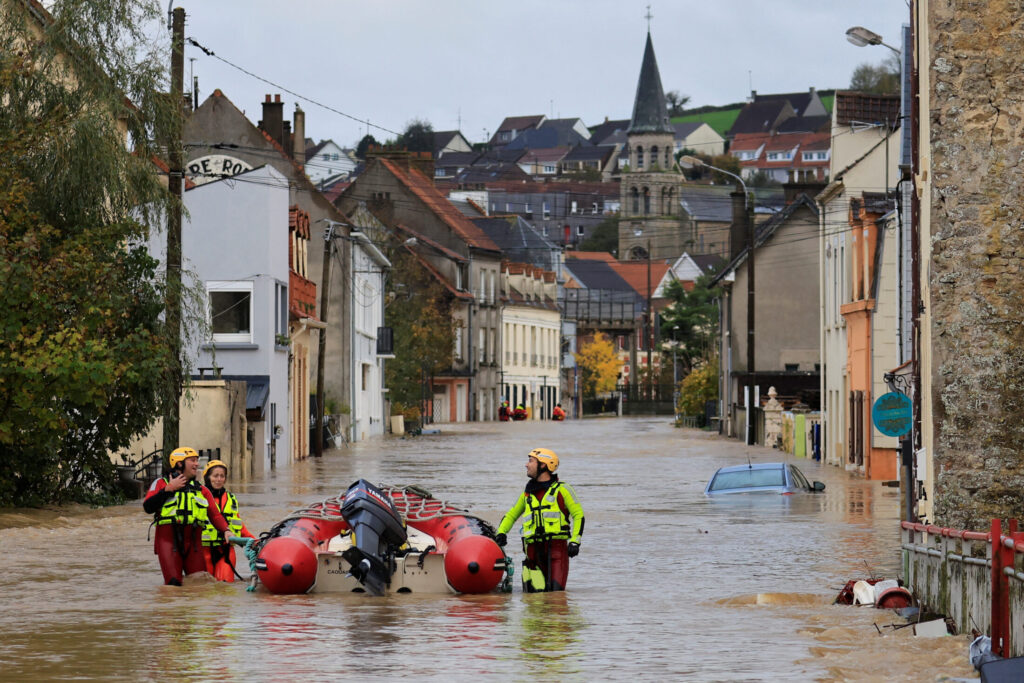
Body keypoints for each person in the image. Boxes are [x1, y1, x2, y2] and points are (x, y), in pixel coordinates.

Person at [494, 447, 584, 592]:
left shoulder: (563, 490)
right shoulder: (527, 495)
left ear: (543, 465)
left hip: (556, 552)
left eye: (531, 461)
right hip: (532, 556)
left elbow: (578, 515)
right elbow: (511, 515)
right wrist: (501, 533)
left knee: (556, 599)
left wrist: (575, 541)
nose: (526, 464)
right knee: (533, 603)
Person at [143, 447, 231, 586]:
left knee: (200, 584)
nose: (197, 464)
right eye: (192, 460)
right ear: (179, 463)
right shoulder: (161, 483)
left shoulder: (202, 490)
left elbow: (215, 515)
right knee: (173, 585)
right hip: (169, 543)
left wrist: (226, 530)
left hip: (194, 545)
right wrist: (168, 490)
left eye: (197, 460)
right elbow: (147, 507)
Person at [200, 459, 256, 582]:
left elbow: (238, 525)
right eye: (215, 476)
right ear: (207, 477)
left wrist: (254, 542)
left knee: (225, 588)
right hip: (204, 550)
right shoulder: (198, 497)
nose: (219, 479)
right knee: (204, 589)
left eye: (222, 476)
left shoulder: (231, 498)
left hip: (226, 550)